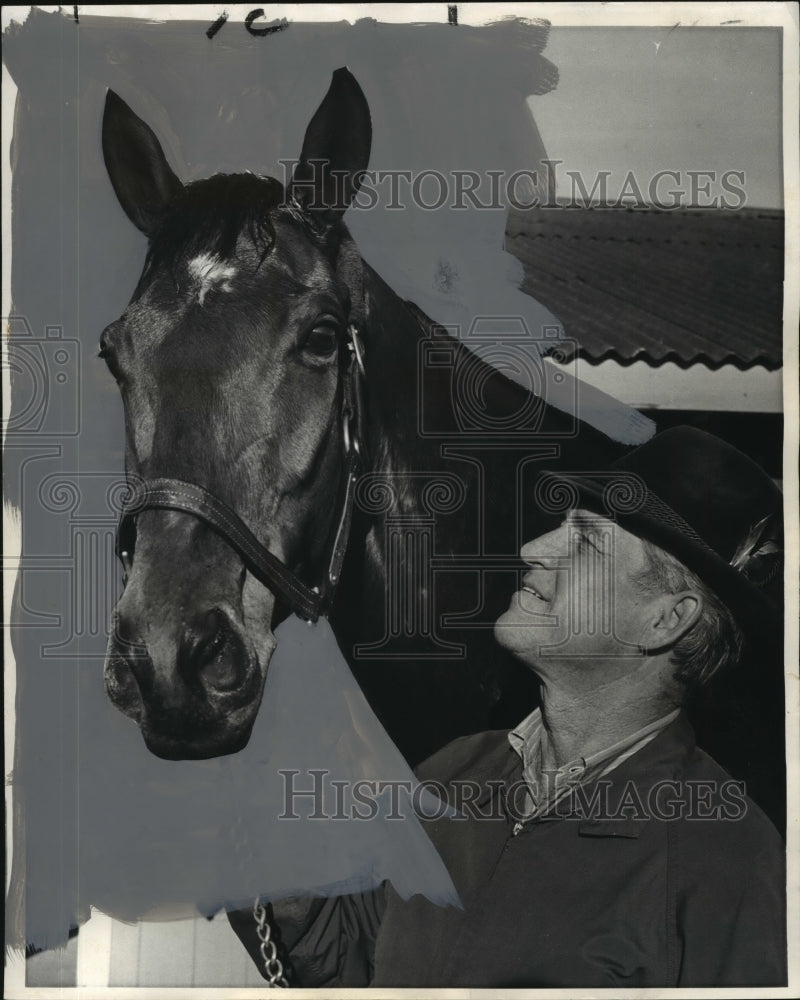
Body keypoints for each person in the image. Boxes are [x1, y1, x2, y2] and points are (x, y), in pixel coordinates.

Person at [228, 426, 786, 987]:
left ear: (666, 619)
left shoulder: (729, 860)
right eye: (561, 527)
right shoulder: (454, 773)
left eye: (587, 541)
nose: (533, 550)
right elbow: (344, 967)